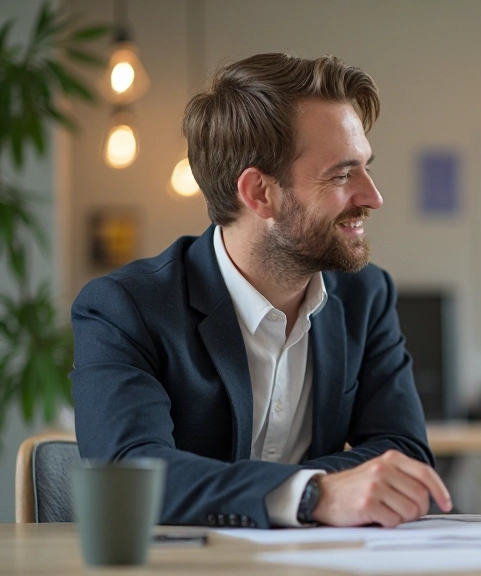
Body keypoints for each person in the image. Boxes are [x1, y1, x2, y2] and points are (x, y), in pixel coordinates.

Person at [71, 53, 452, 529]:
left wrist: (304, 493)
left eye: (367, 168)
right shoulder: (125, 308)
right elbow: (128, 474)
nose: (372, 197)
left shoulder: (366, 297)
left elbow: (405, 454)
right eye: (341, 174)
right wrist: (312, 495)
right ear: (259, 194)